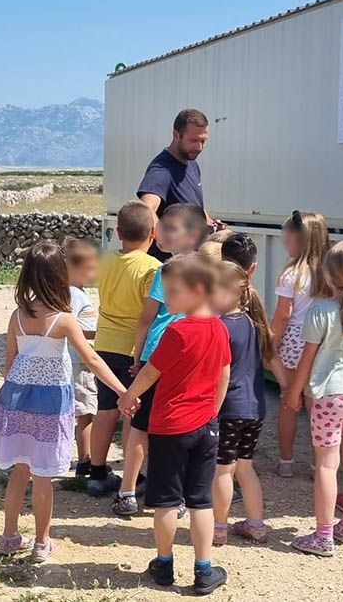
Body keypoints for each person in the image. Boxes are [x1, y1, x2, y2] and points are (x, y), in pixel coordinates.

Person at [0, 241, 136, 563]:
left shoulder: (17, 315)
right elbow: (92, 360)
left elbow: (9, 363)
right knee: (43, 476)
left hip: (15, 399)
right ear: (58, 276)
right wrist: (123, 391)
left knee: (18, 472)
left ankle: (9, 537)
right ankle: (41, 542)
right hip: (50, 402)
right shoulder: (64, 320)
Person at [118, 254, 231, 595]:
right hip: (205, 425)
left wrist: (128, 396)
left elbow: (152, 371)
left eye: (172, 292)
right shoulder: (219, 327)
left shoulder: (176, 330)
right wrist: (213, 409)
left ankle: (164, 564)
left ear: (196, 289)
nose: (166, 299)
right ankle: (204, 569)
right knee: (200, 501)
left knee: (166, 501)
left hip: (170, 425)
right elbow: (224, 373)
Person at [282, 242, 343, 554]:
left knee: (327, 464)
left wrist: (293, 393)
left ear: (327, 274)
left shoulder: (319, 312)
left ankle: (323, 535)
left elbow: (307, 359)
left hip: (329, 394)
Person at [112, 203, 207, 516]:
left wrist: (137, 355)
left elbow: (146, 318)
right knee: (177, 426)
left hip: (157, 352)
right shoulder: (203, 272)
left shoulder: (164, 271)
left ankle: (127, 492)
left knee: (140, 425)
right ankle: (175, 495)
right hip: (189, 358)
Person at [87, 201, 161, 496]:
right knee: (133, 412)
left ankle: (96, 473)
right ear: (153, 233)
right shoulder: (153, 268)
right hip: (133, 349)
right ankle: (134, 476)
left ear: (118, 233)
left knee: (105, 410)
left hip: (104, 345)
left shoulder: (104, 262)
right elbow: (149, 313)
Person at [211, 261, 281, 545]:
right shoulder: (255, 324)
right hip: (255, 408)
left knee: (222, 469)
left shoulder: (220, 327)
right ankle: (256, 524)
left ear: (230, 292)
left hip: (228, 407)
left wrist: (211, 410)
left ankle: (218, 527)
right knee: (245, 467)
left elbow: (220, 374)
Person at [271, 210, 330, 478]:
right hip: (322, 342)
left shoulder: (291, 274)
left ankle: (286, 462)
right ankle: (320, 466)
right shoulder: (331, 272)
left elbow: (283, 315)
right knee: (316, 405)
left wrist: (271, 343)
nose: (284, 241)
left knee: (288, 402)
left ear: (300, 239)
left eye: (288, 236)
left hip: (295, 341)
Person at [137, 108, 220, 260]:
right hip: (168, 268)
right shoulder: (162, 169)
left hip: (189, 263)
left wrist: (210, 223)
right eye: (194, 140)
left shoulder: (191, 164)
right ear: (176, 135)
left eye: (203, 141)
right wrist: (165, 239)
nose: (199, 147)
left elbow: (190, 201)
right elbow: (145, 208)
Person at [63, 237, 101, 476]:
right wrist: (102, 331)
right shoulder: (74, 295)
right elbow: (73, 326)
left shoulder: (69, 292)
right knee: (85, 411)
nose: (94, 274)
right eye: (90, 269)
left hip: (73, 359)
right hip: (80, 360)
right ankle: (85, 459)